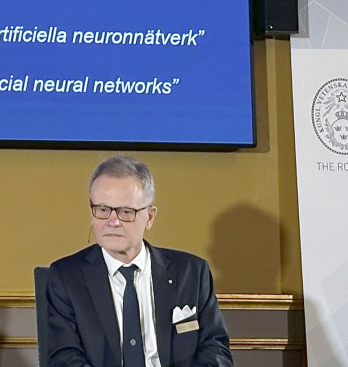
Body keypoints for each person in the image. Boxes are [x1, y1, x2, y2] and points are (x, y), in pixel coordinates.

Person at [45, 155, 232, 367]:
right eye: (103, 210)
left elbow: (215, 350)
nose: (112, 222)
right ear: (92, 213)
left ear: (150, 217)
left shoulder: (191, 273)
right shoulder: (66, 277)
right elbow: (65, 358)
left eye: (126, 211)